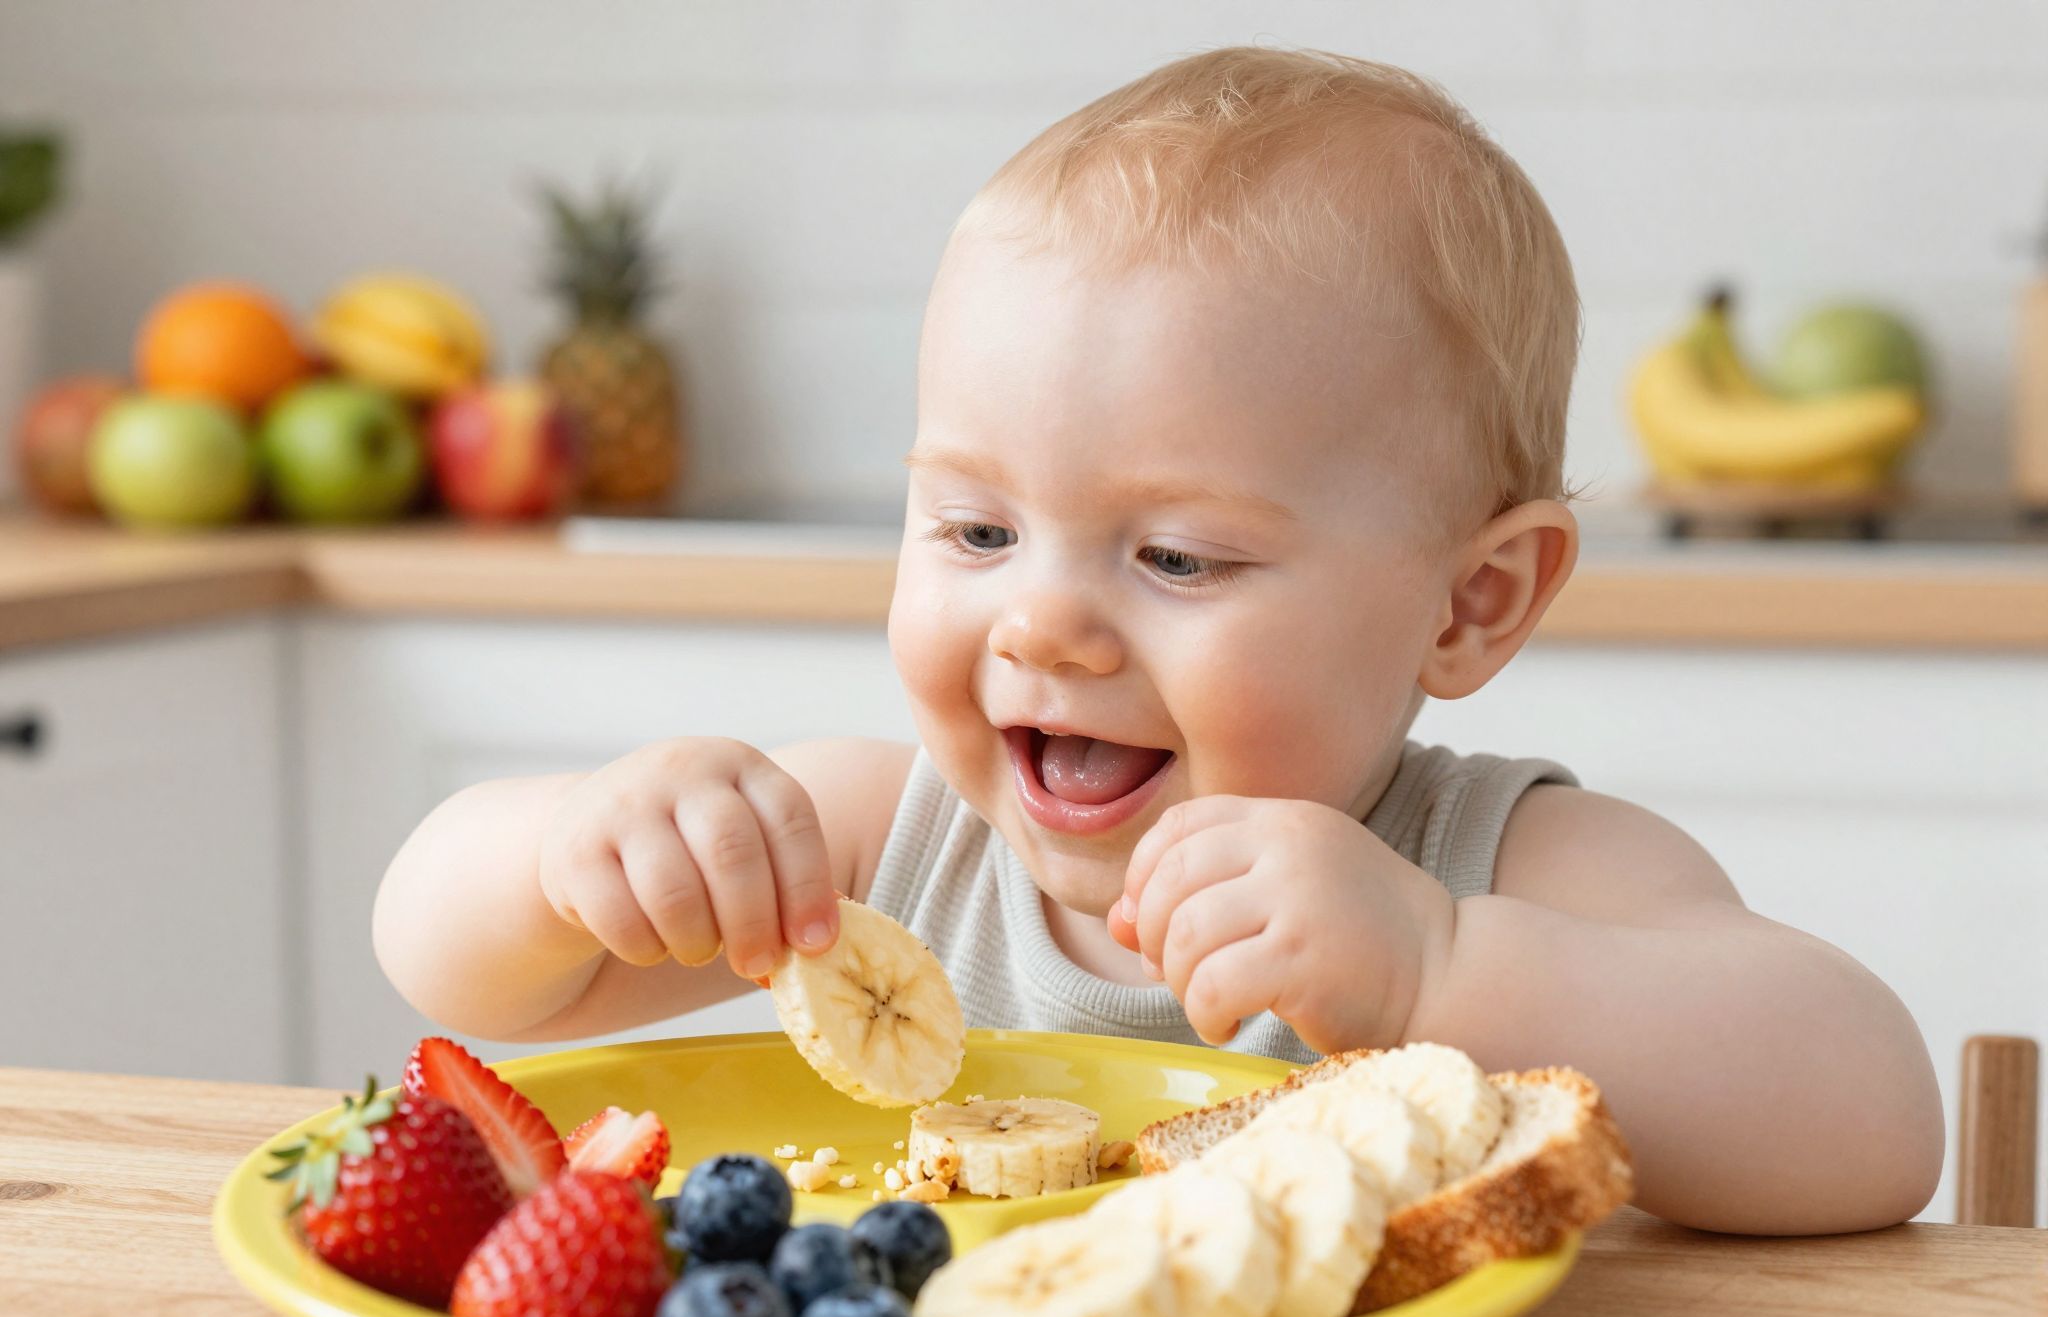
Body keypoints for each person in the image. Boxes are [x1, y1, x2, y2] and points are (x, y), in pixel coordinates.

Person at [374, 46, 1942, 1235]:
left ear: (1472, 604)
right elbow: (452, 966)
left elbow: (1872, 1120)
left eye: (1178, 555)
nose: (1042, 620)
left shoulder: (1500, 868)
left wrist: (1440, 966)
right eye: (977, 532)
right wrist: (582, 844)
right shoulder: (880, 849)